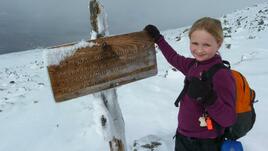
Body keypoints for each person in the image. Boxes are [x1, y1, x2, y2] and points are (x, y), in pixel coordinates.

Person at [144, 17, 236, 151]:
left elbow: (229, 119)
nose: (199, 50)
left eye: (206, 45)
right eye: (195, 43)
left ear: (219, 44)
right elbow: (174, 58)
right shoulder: (193, 65)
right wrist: (158, 39)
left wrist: (208, 98)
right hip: (183, 136)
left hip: (206, 142)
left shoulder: (221, 75)